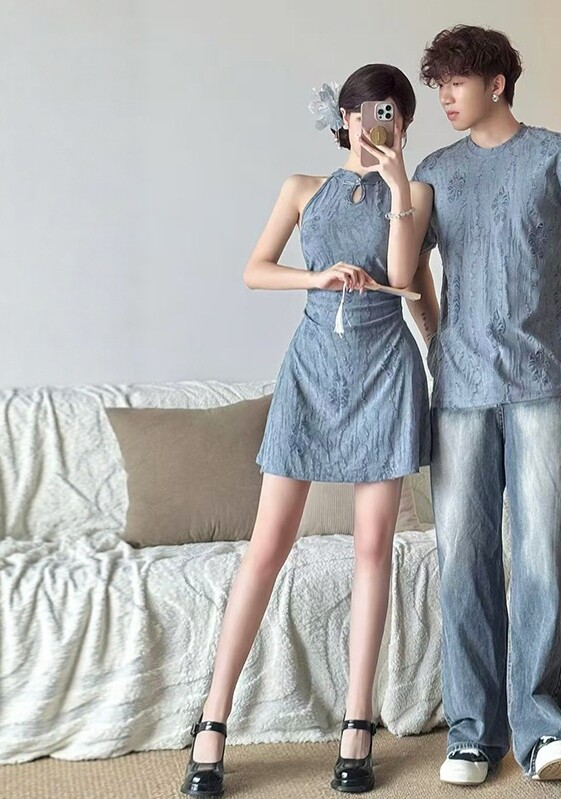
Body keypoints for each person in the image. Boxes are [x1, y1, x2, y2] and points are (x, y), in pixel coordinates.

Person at [179, 63, 433, 797]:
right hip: (311, 368)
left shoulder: (415, 194)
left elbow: (402, 277)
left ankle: (358, 724)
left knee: (373, 549)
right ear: (345, 117)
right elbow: (256, 269)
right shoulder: (301, 187)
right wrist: (314, 278)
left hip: (385, 368)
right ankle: (212, 720)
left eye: (394, 113)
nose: (381, 123)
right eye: (370, 111)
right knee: (267, 547)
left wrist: (396, 186)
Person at [405, 25, 561, 785]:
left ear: (496, 83)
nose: (444, 96)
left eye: (455, 82)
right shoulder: (435, 170)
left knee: (543, 558)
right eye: (438, 84)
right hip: (460, 394)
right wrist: (436, 336)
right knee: (464, 561)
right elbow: (410, 269)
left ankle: (546, 732)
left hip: (541, 388)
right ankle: (472, 734)